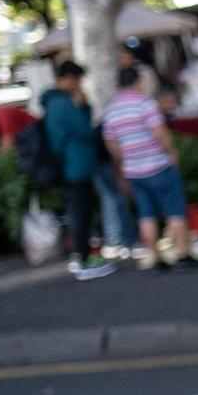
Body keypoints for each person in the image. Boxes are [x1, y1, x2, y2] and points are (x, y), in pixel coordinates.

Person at [102, 65, 198, 272]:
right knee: (174, 211)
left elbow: (112, 144)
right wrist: (172, 152)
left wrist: (124, 163)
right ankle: (182, 254)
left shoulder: (111, 110)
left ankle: (155, 257)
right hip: (158, 164)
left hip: (133, 170)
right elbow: (159, 132)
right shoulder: (145, 104)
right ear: (138, 81)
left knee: (146, 215)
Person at [39, 61, 115, 280]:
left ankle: (82, 256)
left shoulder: (52, 102)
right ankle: (82, 259)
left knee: (80, 211)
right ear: (68, 78)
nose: (80, 84)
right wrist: (84, 105)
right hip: (76, 167)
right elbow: (85, 129)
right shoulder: (63, 103)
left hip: (72, 166)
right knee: (81, 212)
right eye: (77, 79)